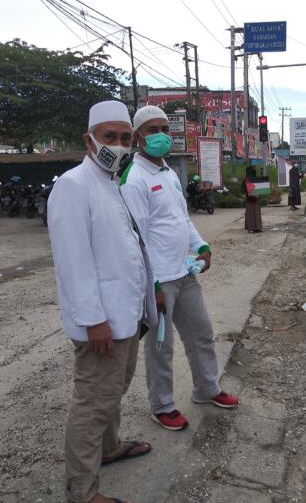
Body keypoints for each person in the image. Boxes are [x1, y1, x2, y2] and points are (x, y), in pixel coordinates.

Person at [48, 100, 157, 503]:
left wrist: (148, 299)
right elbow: (73, 263)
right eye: (109, 136)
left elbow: (127, 250)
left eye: (125, 138)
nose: (118, 144)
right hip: (102, 323)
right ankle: (82, 491)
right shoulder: (74, 185)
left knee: (112, 392)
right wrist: (94, 320)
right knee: (92, 404)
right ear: (89, 139)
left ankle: (109, 450)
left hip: (125, 317)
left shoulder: (112, 182)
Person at [120, 105, 239, 432]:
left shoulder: (170, 174)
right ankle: (162, 405)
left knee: (201, 333)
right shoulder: (134, 179)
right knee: (161, 348)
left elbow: (182, 221)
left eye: (164, 129)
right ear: (137, 137)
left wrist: (201, 246)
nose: (160, 135)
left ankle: (207, 389)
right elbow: (137, 239)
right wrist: (152, 286)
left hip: (185, 275)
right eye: (152, 129)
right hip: (159, 284)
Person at [243, 164, 263, 232]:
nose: (255, 170)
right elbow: (244, 188)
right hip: (250, 199)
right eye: (253, 169)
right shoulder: (246, 179)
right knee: (250, 213)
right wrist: (251, 194)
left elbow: (259, 186)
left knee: (256, 213)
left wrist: (259, 193)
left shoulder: (255, 178)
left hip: (256, 199)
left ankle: (257, 227)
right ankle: (250, 228)